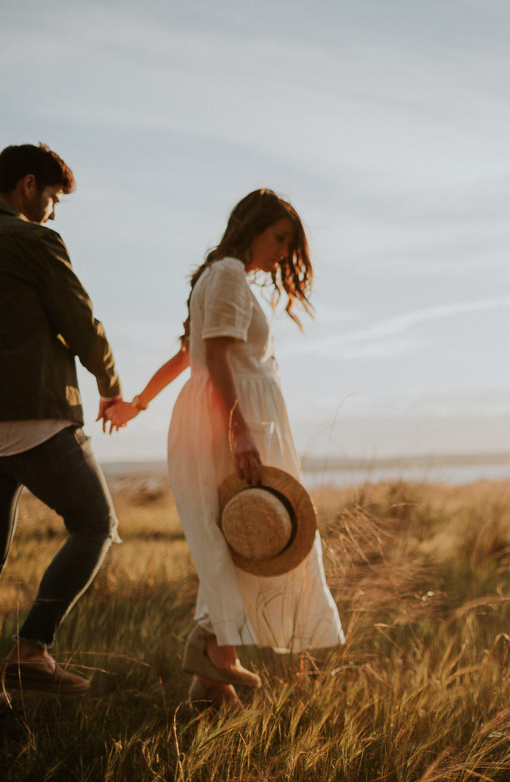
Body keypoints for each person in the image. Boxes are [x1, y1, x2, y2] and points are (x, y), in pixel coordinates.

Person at [111, 189, 344, 708]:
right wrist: (241, 432)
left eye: (289, 242)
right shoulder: (228, 276)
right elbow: (213, 358)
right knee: (247, 536)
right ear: (251, 227)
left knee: (240, 539)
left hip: (230, 416)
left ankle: (213, 678)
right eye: (279, 238)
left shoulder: (219, 277)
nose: (283, 252)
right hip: (230, 421)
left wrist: (140, 403)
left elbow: (186, 353)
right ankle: (215, 656)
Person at [0, 143, 133, 723]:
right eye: (52, 197)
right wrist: (110, 384)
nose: (53, 211)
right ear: (26, 186)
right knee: (96, 524)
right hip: (35, 420)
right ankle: (32, 649)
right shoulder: (34, 239)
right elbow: (81, 320)